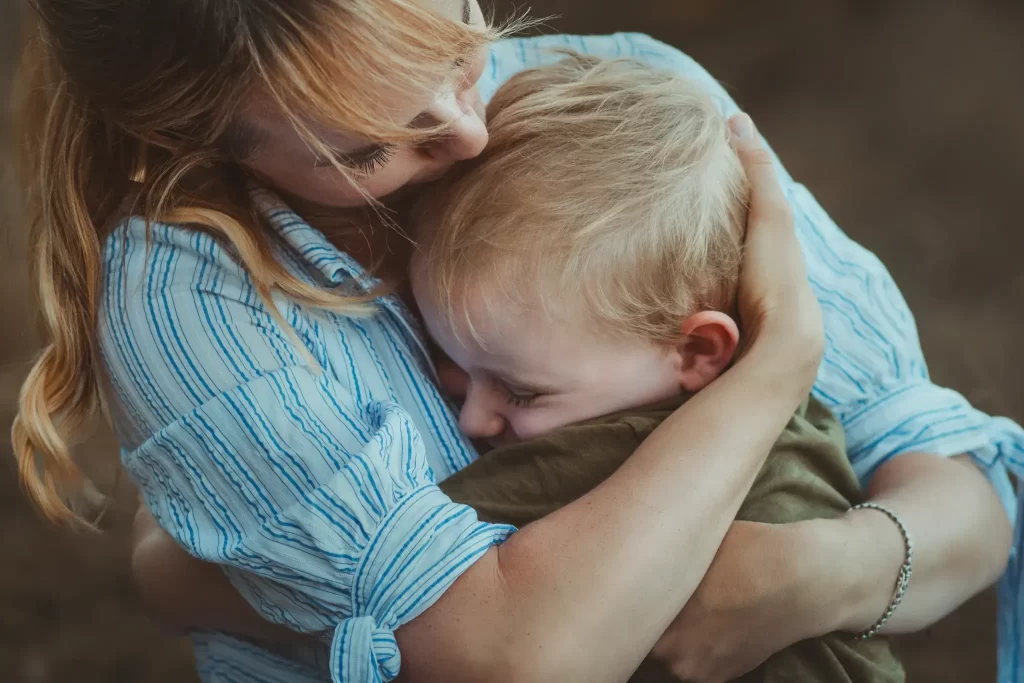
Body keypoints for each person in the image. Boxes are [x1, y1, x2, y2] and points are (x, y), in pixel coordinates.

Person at [9, 0, 1019, 681]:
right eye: (367, 144)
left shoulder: (623, 99)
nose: (473, 131)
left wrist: (822, 573)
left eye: (456, 39)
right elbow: (517, 658)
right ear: (196, 138)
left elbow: (968, 497)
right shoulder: (195, 288)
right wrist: (773, 370)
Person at [141, 53, 907, 683]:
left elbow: (353, 578)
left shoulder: (575, 460)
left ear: (701, 352)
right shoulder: (807, 421)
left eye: (522, 388)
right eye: (449, 363)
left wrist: (163, 556)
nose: (475, 418)